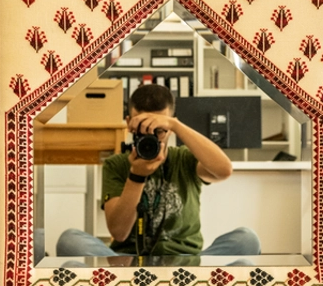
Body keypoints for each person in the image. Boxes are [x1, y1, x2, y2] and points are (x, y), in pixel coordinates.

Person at [56, 84, 261, 259]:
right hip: (129, 260)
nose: (150, 135)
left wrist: (176, 125)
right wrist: (136, 177)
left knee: (246, 238)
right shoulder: (117, 164)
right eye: (142, 127)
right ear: (129, 124)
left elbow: (224, 170)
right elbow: (119, 232)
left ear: (170, 127)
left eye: (158, 129)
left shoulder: (183, 158)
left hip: (186, 260)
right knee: (70, 240)